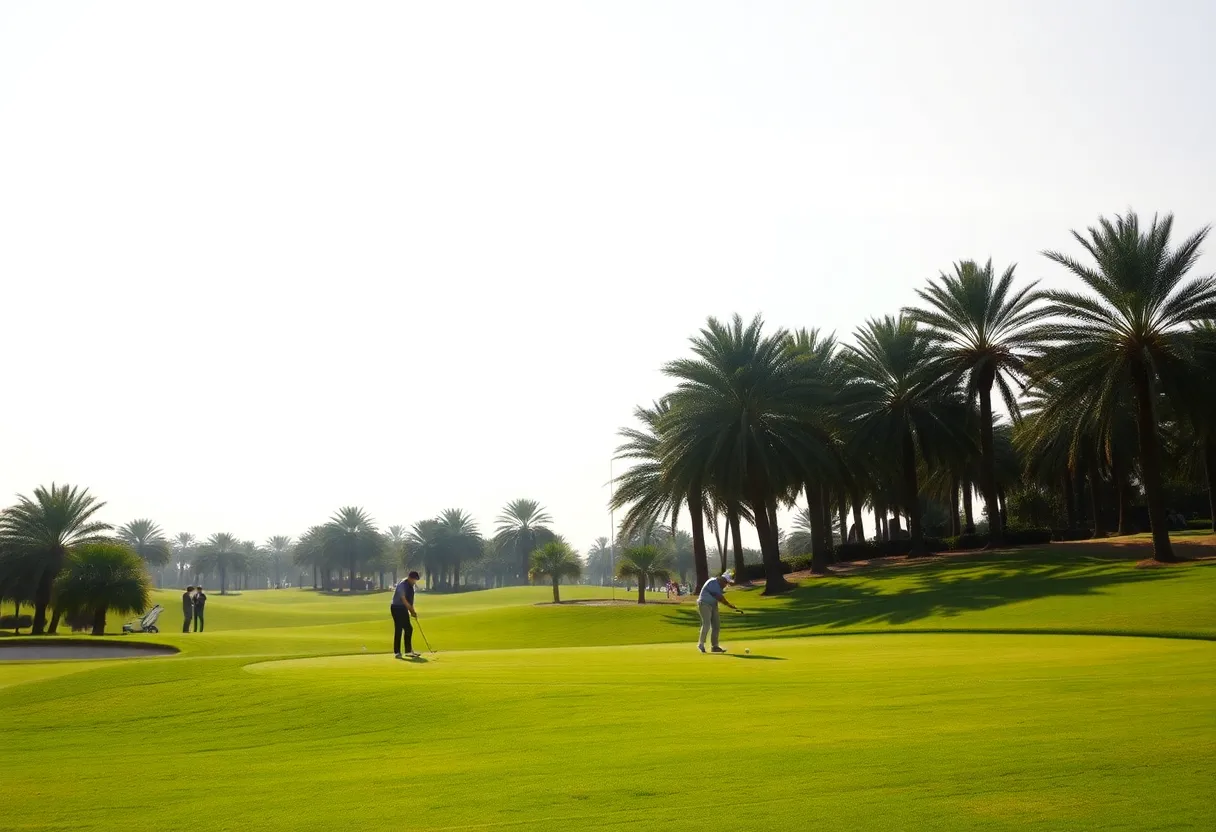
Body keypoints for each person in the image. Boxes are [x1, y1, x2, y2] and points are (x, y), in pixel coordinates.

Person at [696, 571, 739, 653]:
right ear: (721, 580)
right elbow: (719, 597)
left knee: (716, 625)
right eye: (726, 582)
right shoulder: (713, 582)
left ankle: (715, 646)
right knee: (706, 624)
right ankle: (701, 644)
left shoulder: (720, 585)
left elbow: (719, 597)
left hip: (713, 604)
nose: (726, 584)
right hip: (704, 603)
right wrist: (730, 605)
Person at [390, 571, 421, 659]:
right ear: (410, 578)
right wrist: (411, 611)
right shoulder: (402, 585)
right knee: (399, 628)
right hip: (396, 607)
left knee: (408, 628)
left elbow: (410, 602)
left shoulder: (411, 587)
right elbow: (403, 600)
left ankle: (408, 651)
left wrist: (412, 612)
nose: (415, 582)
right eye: (414, 580)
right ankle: (397, 652)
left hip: (403, 608)